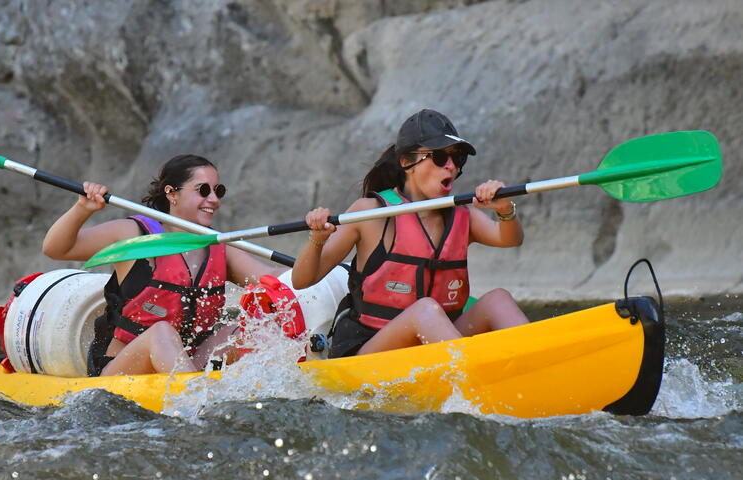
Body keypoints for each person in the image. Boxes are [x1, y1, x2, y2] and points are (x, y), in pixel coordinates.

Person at [291, 109, 529, 358]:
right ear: (406, 162)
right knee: (425, 310)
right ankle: (477, 372)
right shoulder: (370, 213)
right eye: (439, 157)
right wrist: (317, 240)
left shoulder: (463, 215)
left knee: (498, 300)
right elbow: (302, 280)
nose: (450, 166)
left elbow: (510, 239)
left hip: (438, 343)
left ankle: (538, 363)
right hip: (371, 351)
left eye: (457, 158)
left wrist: (504, 209)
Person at [43, 154, 282, 376]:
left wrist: (307, 259)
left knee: (252, 328)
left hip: (188, 363)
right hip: (122, 369)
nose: (214, 199)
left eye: (218, 191)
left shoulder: (219, 246)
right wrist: (82, 209)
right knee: (160, 332)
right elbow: (56, 249)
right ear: (171, 193)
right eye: (203, 190)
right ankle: (194, 395)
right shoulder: (134, 234)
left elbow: (274, 278)